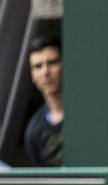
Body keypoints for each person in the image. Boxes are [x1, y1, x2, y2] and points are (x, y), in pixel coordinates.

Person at [23, 37, 64, 167]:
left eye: (52, 62)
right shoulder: (34, 132)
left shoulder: (88, 114)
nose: (45, 71)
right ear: (32, 75)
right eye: (38, 66)